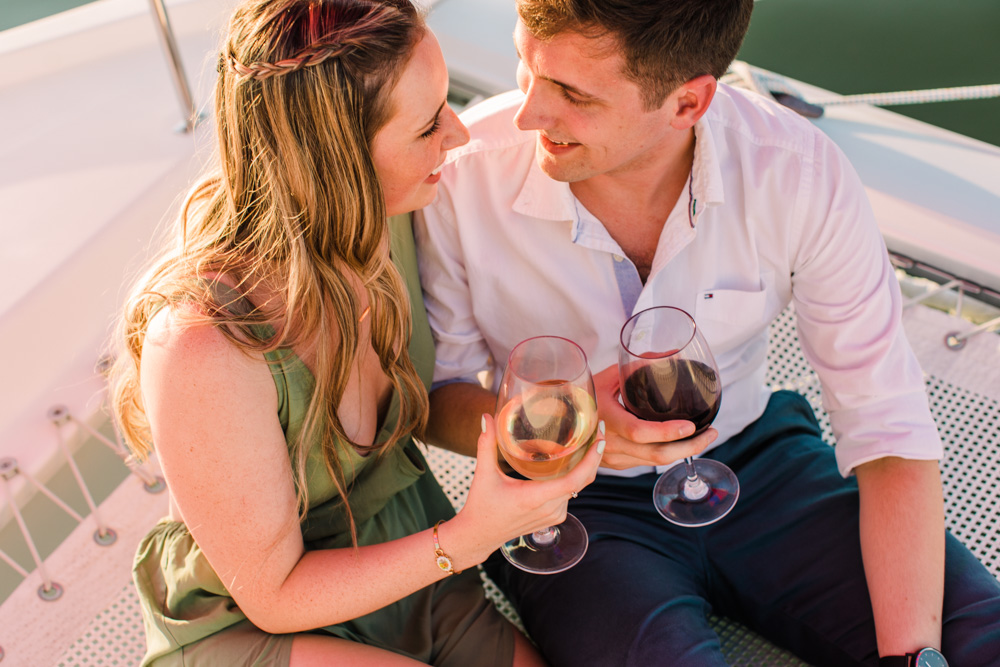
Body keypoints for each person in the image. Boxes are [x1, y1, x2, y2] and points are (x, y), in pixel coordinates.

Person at [413, 0, 1000, 665]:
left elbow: (889, 427)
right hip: (570, 508)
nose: (527, 114)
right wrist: (567, 424)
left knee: (977, 637)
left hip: (764, 463)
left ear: (688, 104)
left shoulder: (799, 173)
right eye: (526, 64)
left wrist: (912, 657)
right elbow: (440, 398)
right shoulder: (461, 177)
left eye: (572, 94)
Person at [108, 0, 604, 665]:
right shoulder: (202, 345)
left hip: (393, 553)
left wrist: (548, 413)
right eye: (429, 126)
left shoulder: (387, 219)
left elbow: (427, 402)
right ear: (336, 162)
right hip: (264, 618)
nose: (456, 135)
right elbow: (274, 595)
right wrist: (473, 534)